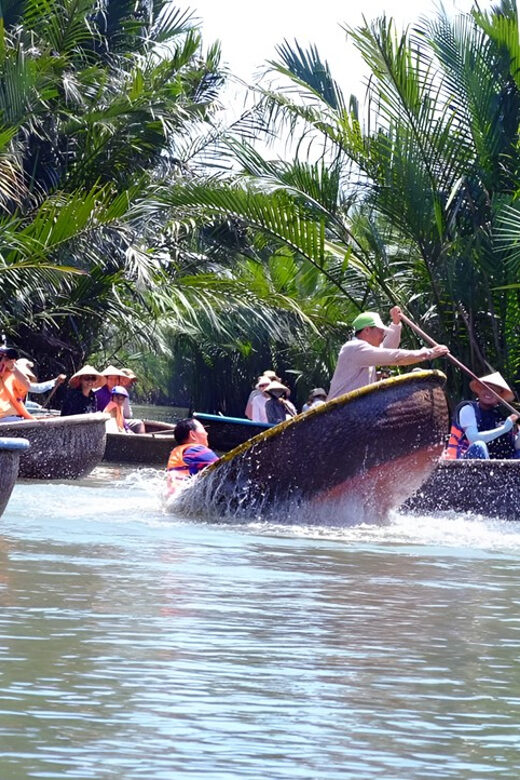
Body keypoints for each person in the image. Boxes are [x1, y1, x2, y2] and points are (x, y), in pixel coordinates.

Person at [328, 306, 449, 399]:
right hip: (340, 412)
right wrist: (428, 353)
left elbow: (388, 349)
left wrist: (395, 323)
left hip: (355, 411)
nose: (383, 336)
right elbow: (395, 357)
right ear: (367, 330)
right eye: (381, 332)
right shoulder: (354, 348)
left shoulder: (365, 350)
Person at [445, 372, 520, 460]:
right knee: (479, 446)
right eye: (485, 388)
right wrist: (504, 428)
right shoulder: (468, 409)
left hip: (496, 463)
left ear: (499, 397)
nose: (488, 392)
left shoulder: (501, 416)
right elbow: (473, 438)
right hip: (465, 462)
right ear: (479, 391)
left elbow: (515, 447)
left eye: (493, 390)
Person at [166, 418, 219, 495]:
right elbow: (221, 467)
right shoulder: (196, 450)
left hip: (174, 497)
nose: (206, 433)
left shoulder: (179, 452)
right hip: (184, 496)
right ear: (192, 435)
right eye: (203, 429)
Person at [95, 365, 145, 433]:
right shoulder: (99, 393)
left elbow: (120, 415)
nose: (114, 381)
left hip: (116, 422)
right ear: (106, 379)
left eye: (116, 379)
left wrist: (127, 428)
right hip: (104, 423)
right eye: (111, 379)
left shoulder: (118, 393)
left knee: (138, 424)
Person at [0, 346, 34, 422]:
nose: (4, 361)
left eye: (7, 358)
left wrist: (13, 368)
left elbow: (27, 385)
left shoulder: (10, 375)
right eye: (1, 358)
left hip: (11, 418)